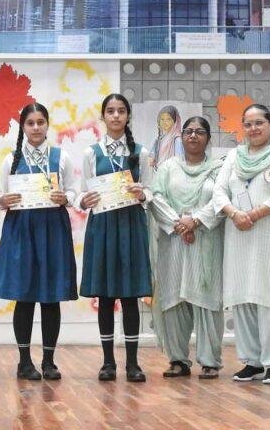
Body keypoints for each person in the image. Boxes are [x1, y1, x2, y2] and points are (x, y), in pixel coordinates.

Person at [213, 103, 270, 386]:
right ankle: (252, 361)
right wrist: (234, 213)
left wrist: (254, 214)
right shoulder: (234, 156)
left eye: (259, 122)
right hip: (238, 233)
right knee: (243, 296)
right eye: (248, 124)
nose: (253, 129)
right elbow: (219, 191)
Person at [0, 103, 78, 381]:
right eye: (30, 123)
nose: (35, 127)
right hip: (21, 229)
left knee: (51, 297)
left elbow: (73, 192)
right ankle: (24, 361)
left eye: (40, 122)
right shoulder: (11, 159)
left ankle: (49, 361)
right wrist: (4, 200)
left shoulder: (61, 156)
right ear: (23, 127)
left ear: (47, 125)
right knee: (25, 296)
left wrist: (66, 197)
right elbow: (0, 198)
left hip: (53, 229)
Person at [79, 93, 154, 382]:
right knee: (106, 295)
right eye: (110, 111)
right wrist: (84, 201)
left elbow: (151, 191)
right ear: (103, 116)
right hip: (103, 226)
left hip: (131, 225)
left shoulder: (141, 152)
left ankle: (132, 363)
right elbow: (83, 194)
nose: (116, 116)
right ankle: (108, 362)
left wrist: (142, 193)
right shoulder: (91, 153)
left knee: (131, 295)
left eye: (121, 111)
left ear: (128, 116)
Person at [148, 116, 224, 380]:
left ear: (208, 138)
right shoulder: (168, 167)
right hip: (174, 242)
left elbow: (221, 200)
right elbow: (156, 198)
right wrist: (179, 224)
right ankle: (178, 359)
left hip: (206, 241)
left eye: (200, 132)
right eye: (189, 131)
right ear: (181, 137)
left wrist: (196, 220)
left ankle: (210, 360)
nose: (193, 136)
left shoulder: (219, 169)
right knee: (173, 299)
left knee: (207, 299)